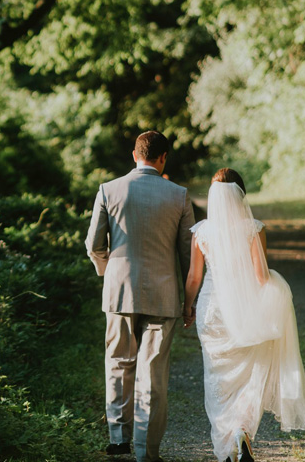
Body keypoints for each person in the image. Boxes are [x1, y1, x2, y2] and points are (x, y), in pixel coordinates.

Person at [183, 169, 305, 462]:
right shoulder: (253, 228)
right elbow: (260, 276)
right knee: (250, 372)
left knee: (217, 376)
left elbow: (194, 277)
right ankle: (241, 430)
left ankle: (226, 438)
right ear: (241, 195)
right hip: (244, 309)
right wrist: (277, 292)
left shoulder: (202, 231)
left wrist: (187, 306)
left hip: (212, 311)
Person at [86, 131, 195, 462]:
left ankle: (118, 438)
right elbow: (188, 255)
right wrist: (189, 302)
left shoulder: (109, 190)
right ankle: (146, 452)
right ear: (163, 158)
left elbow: (93, 244)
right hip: (163, 295)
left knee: (119, 363)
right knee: (153, 373)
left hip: (119, 291)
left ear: (135, 155)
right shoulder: (179, 196)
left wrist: (108, 271)